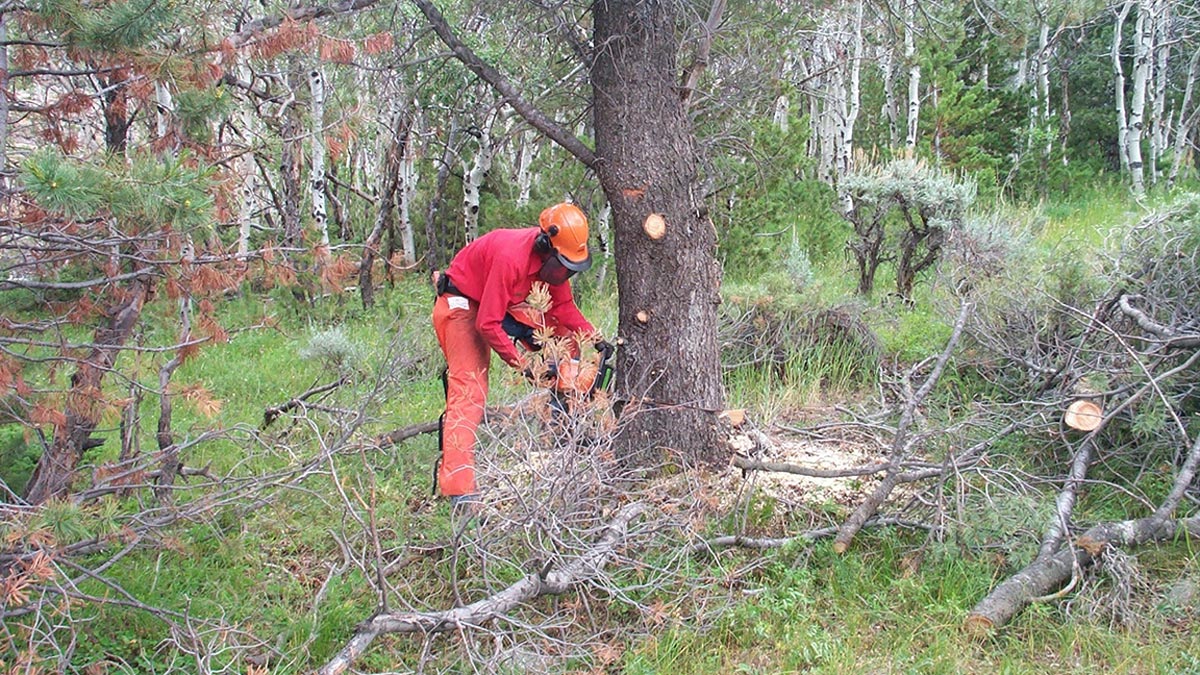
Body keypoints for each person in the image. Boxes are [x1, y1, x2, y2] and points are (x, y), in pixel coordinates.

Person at [431, 202, 606, 509]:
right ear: (545, 247)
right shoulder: (511, 258)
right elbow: (487, 321)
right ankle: (459, 489)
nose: (566, 273)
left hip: (506, 304)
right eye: (563, 264)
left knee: (566, 340)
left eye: (571, 267)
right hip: (462, 301)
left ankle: (565, 428)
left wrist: (595, 337)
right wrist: (525, 367)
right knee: (470, 390)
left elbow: (563, 308)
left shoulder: (553, 268)